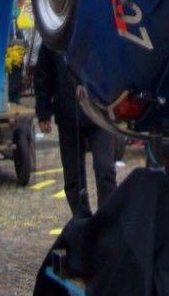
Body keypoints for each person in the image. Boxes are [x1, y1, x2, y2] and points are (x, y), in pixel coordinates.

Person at [34, 44, 117, 216]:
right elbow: (43, 73)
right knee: (73, 176)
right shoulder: (57, 36)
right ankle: (81, 218)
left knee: (105, 169)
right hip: (68, 113)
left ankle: (106, 219)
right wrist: (43, 111)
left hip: (100, 112)